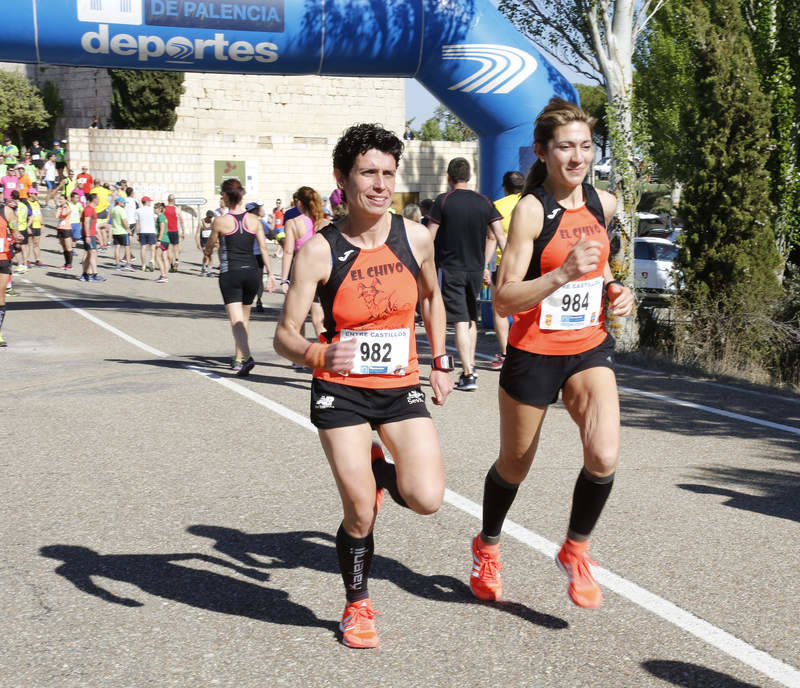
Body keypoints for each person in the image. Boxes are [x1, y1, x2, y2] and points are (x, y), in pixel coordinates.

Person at [273, 123, 454, 649]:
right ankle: (357, 603)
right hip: (342, 389)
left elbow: (431, 298)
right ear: (342, 178)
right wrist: (317, 353)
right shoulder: (319, 251)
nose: (380, 185)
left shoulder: (415, 238)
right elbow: (284, 335)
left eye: (388, 174)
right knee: (360, 510)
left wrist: (441, 360)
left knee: (426, 498)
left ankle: (378, 469)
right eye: (368, 173)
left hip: (399, 385)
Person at [468, 97, 634, 610]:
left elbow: (600, 266)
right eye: (565, 147)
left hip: (588, 346)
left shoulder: (603, 204)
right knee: (515, 466)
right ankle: (487, 546)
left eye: (585, 146)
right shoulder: (531, 211)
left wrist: (614, 289)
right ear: (542, 151)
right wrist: (561, 274)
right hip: (534, 351)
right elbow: (504, 298)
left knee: (604, 454)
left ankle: (575, 549)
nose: (577, 157)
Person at [425, 157, 507, 391]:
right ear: (470, 177)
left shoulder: (443, 201)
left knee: (461, 321)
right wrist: (507, 265)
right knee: (471, 319)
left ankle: (468, 374)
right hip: (475, 269)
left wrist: (420, 265)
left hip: (451, 268)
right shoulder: (484, 201)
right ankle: (470, 366)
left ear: (448, 176)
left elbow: (429, 237)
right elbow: (499, 236)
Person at [204, 178, 276, 374]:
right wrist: (270, 274)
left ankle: (247, 356)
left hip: (231, 273)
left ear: (225, 196)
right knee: (244, 318)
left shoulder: (220, 221)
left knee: (236, 319)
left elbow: (210, 246)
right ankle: (238, 358)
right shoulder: (254, 220)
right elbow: (263, 248)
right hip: (252, 272)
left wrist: (208, 251)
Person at [486, 171, 525, 369]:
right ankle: (526, 351)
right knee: (526, 309)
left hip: (504, 265)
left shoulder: (497, 206)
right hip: (527, 263)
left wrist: (485, 265)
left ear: (504, 187)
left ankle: (505, 354)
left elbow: (492, 238)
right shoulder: (530, 203)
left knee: (500, 310)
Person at [280, 186, 328, 339]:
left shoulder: (293, 223)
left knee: (296, 319)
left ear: (299, 203)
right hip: (322, 272)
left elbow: (288, 252)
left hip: (301, 274)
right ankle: (326, 350)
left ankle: (299, 353)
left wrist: (284, 280)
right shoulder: (324, 223)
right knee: (318, 319)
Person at [80, 193, 105, 282]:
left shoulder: (92, 209)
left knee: (89, 254)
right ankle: (94, 275)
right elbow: (86, 222)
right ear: (94, 200)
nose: (99, 200)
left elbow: (93, 225)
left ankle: (84, 275)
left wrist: (97, 236)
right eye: (98, 199)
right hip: (89, 235)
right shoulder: (89, 209)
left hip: (91, 235)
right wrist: (87, 235)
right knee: (93, 253)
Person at [111, 196, 134, 270]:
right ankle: (128, 264)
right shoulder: (121, 210)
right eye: (124, 203)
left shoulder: (113, 209)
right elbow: (124, 221)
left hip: (115, 231)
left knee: (117, 248)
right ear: (120, 203)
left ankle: (117, 264)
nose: (125, 204)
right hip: (123, 231)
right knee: (127, 247)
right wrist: (128, 229)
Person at [164, 194, 185, 271]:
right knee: (176, 247)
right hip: (174, 231)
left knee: (169, 249)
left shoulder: (164, 209)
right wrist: (183, 231)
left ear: (168, 200)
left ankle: (171, 265)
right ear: (174, 200)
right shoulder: (177, 209)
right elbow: (181, 221)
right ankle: (177, 260)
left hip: (167, 231)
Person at [135, 196, 157, 271]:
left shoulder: (138, 211)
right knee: (152, 247)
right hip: (151, 231)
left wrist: (137, 233)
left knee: (143, 248)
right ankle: (152, 260)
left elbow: (137, 223)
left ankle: (143, 265)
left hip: (142, 231)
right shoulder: (152, 210)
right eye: (149, 201)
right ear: (147, 202)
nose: (150, 202)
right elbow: (155, 220)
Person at [26, 188, 44, 267]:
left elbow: (40, 214)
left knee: (36, 244)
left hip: (37, 226)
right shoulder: (26, 203)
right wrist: (27, 227)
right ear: (30, 194)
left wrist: (42, 224)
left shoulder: (37, 203)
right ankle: (27, 260)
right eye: (35, 194)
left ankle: (37, 260)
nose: (37, 195)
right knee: (28, 244)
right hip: (30, 226)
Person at [55, 196, 74, 270]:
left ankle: (69, 264)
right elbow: (56, 216)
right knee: (64, 247)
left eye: (61, 199)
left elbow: (63, 214)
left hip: (67, 229)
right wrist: (60, 207)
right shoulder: (60, 207)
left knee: (68, 247)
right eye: (59, 199)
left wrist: (64, 206)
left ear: (66, 200)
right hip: (60, 228)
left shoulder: (68, 207)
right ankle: (66, 263)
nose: (60, 200)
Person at [154, 202, 171, 282]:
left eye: (155, 208)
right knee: (164, 258)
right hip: (166, 239)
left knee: (157, 257)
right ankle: (165, 276)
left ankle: (163, 275)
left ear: (160, 209)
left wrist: (159, 240)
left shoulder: (161, 217)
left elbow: (162, 229)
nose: (154, 209)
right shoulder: (163, 216)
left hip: (162, 239)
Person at [196, 210, 214, 275]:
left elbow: (215, 233)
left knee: (211, 256)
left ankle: (209, 271)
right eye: (209, 217)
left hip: (210, 242)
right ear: (206, 216)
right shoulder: (201, 223)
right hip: (203, 242)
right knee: (206, 255)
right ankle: (203, 268)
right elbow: (197, 234)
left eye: (211, 217)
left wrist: (217, 241)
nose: (210, 218)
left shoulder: (212, 223)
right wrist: (198, 243)